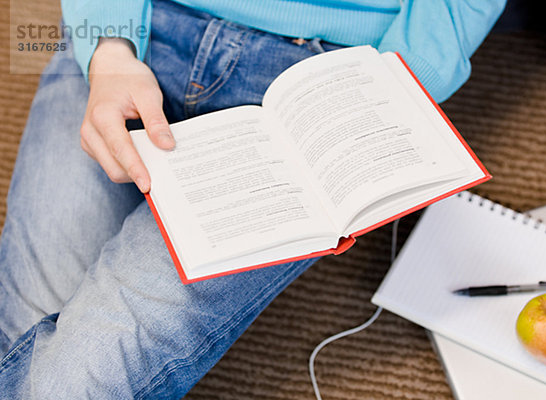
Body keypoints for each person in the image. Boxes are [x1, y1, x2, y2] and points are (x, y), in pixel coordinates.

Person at [0, 0, 506, 398]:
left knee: (86, 372)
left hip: (321, 74)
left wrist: (385, 89)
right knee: (24, 324)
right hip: (136, 24)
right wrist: (107, 47)